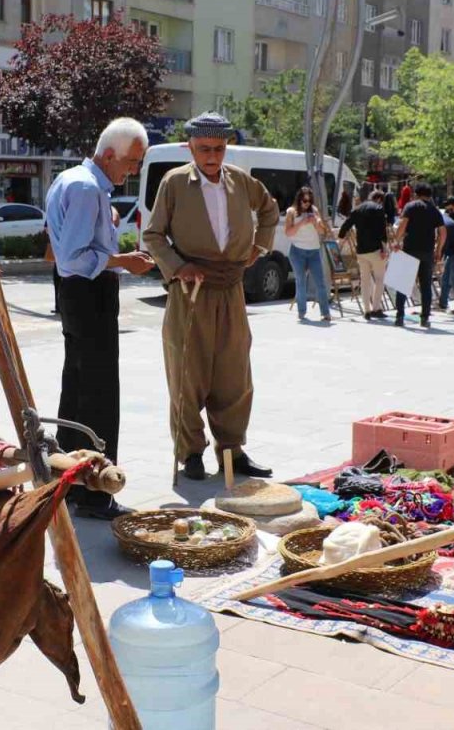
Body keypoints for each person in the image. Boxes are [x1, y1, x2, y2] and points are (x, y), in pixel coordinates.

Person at [144, 111, 280, 482]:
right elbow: (153, 236)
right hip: (191, 289)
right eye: (204, 148)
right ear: (190, 147)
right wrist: (178, 266)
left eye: (219, 148)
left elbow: (269, 211)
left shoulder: (240, 181)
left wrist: (258, 248)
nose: (212, 156)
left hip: (231, 286)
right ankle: (190, 453)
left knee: (234, 373)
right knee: (188, 372)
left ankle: (232, 451)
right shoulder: (174, 183)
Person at [46, 117, 154, 520]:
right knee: (99, 394)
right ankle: (94, 491)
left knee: (76, 387)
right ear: (109, 154)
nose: (132, 172)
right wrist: (123, 260)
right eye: (130, 163)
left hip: (77, 293)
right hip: (88, 292)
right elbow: (74, 257)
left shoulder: (74, 180)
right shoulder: (87, 186)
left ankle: (68, 479)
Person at [391, 183, 445, 329]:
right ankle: (425, 318)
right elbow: (443, 232)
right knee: (426, 285)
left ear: (416, 194)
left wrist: (396, 241)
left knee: (403, 284)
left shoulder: (411, 206)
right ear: (430, 195)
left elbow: (403, 224)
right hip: (427, 252)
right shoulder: (435, 210)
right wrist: (438, 250)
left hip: (410, 249)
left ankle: (400, 317)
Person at [339, 185, 391, 319]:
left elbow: (345, 227)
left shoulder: (357, 209)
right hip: (376, 250)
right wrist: (384, 248)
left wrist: (340, 238)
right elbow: (382, 231)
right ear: (379, 199)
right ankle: (376, 309)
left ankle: (366, 310)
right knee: (379, 279)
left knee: (365, 280)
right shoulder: (379, 209)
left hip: (361, 251)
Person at [284, 185, 332, 322]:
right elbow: (288, 232)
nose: (307, 204)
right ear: (299, 200)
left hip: (313, 251)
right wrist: (303, 223)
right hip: (297, 251)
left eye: (309, 201)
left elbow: (323, 231)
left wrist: (317, 223)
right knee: (300, 282)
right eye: (304, 201)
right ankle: (301, 312)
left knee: (320, 282)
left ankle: (325, 313)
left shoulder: (314, 210)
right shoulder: (291, 212)